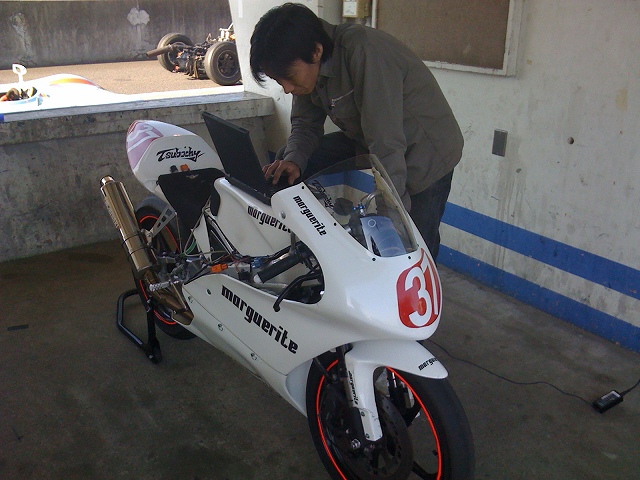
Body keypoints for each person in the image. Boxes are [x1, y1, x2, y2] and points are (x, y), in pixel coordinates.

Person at [250, 3, 463, 260]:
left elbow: (386, 143)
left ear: (316, 51)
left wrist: (390, 217)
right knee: (291, 159)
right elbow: (305, 125)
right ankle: (303, 237)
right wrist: (293, 160)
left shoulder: (364, 52)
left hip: (425, 151)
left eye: (290, 77)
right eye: (279, 81)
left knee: (412, 248)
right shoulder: (306, 65)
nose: (286, 89)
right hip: (368, 139)